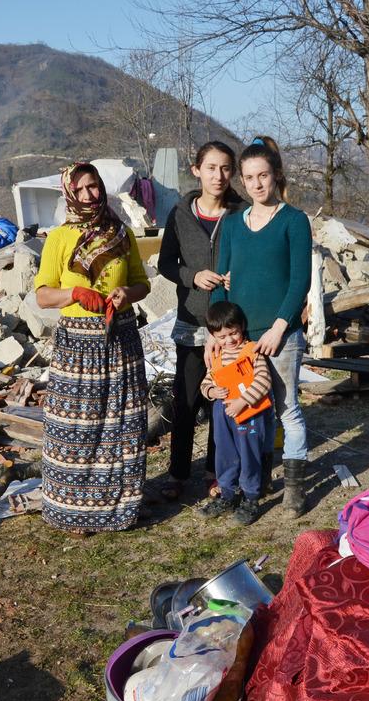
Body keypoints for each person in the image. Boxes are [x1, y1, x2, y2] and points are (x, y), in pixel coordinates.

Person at [33, 162, 151, 535]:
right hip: (77, 346)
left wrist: (125, 294)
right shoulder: (59, 238)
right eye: (80, 189)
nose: (88, 195)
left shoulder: (121, 232)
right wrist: (74, 293)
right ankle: (73, 513)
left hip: (120, 338)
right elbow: (42, 295)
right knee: (75, 428)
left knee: (122, 424)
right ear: (69, 192)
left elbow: (141, 284)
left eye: (94, 187)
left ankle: (120, 510)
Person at [210, 136, 312, 518]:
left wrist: (279, 327)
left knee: (285, 407)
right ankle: (253, 479)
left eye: (263, 175)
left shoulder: (294, 220)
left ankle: (295, 489)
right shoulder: (233, 224)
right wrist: (215, 335)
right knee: (251, 410)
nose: (256, 184)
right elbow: (222, 279)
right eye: (249, 177)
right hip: (239, 334)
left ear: (275, 175)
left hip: (278, 336)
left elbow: (299, 280)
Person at [156, 141, 245, 500]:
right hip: (192, 319)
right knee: (186, 399)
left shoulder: (241, 213)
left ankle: (214, 470)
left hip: (229, 324)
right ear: (196, 170)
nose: (218, 176)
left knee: (221, 400)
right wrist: (192, 276)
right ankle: (177, 474)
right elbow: (165, 264)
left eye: (225, 168)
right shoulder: (179, 213)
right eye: (211, 168)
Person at [198, 301, 272, 525]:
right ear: (213, 336)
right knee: (225, 454)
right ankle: (227, 494)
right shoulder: (218, 359)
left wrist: (242, 402)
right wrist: (212, 390)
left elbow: (263, 380)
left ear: (242, 327)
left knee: (249, 455)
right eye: (222, 337)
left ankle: (251, 498)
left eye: (233, 333)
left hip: (248, 413)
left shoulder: (252, 352)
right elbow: (205, 383)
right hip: (223, 416)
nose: (229, 340)